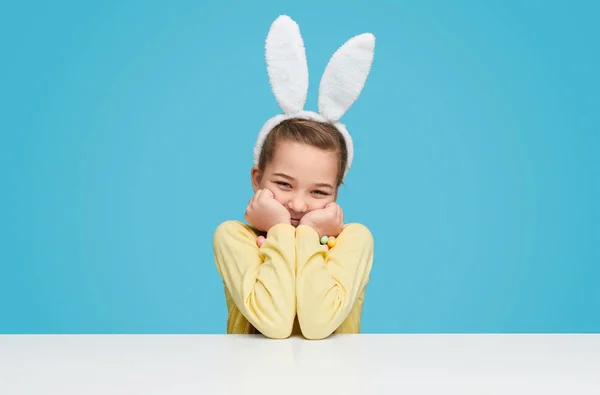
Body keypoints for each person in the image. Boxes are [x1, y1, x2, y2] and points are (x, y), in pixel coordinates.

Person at [212, 15, 376, 340]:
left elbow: (317, 325)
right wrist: (280, 229)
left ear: (337, 193)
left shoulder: (354, 240)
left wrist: (309, 233)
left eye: (319, 192)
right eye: (284, 184)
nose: (298, 203)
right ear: (257, 178)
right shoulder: (234, 237)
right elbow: (273, 323)